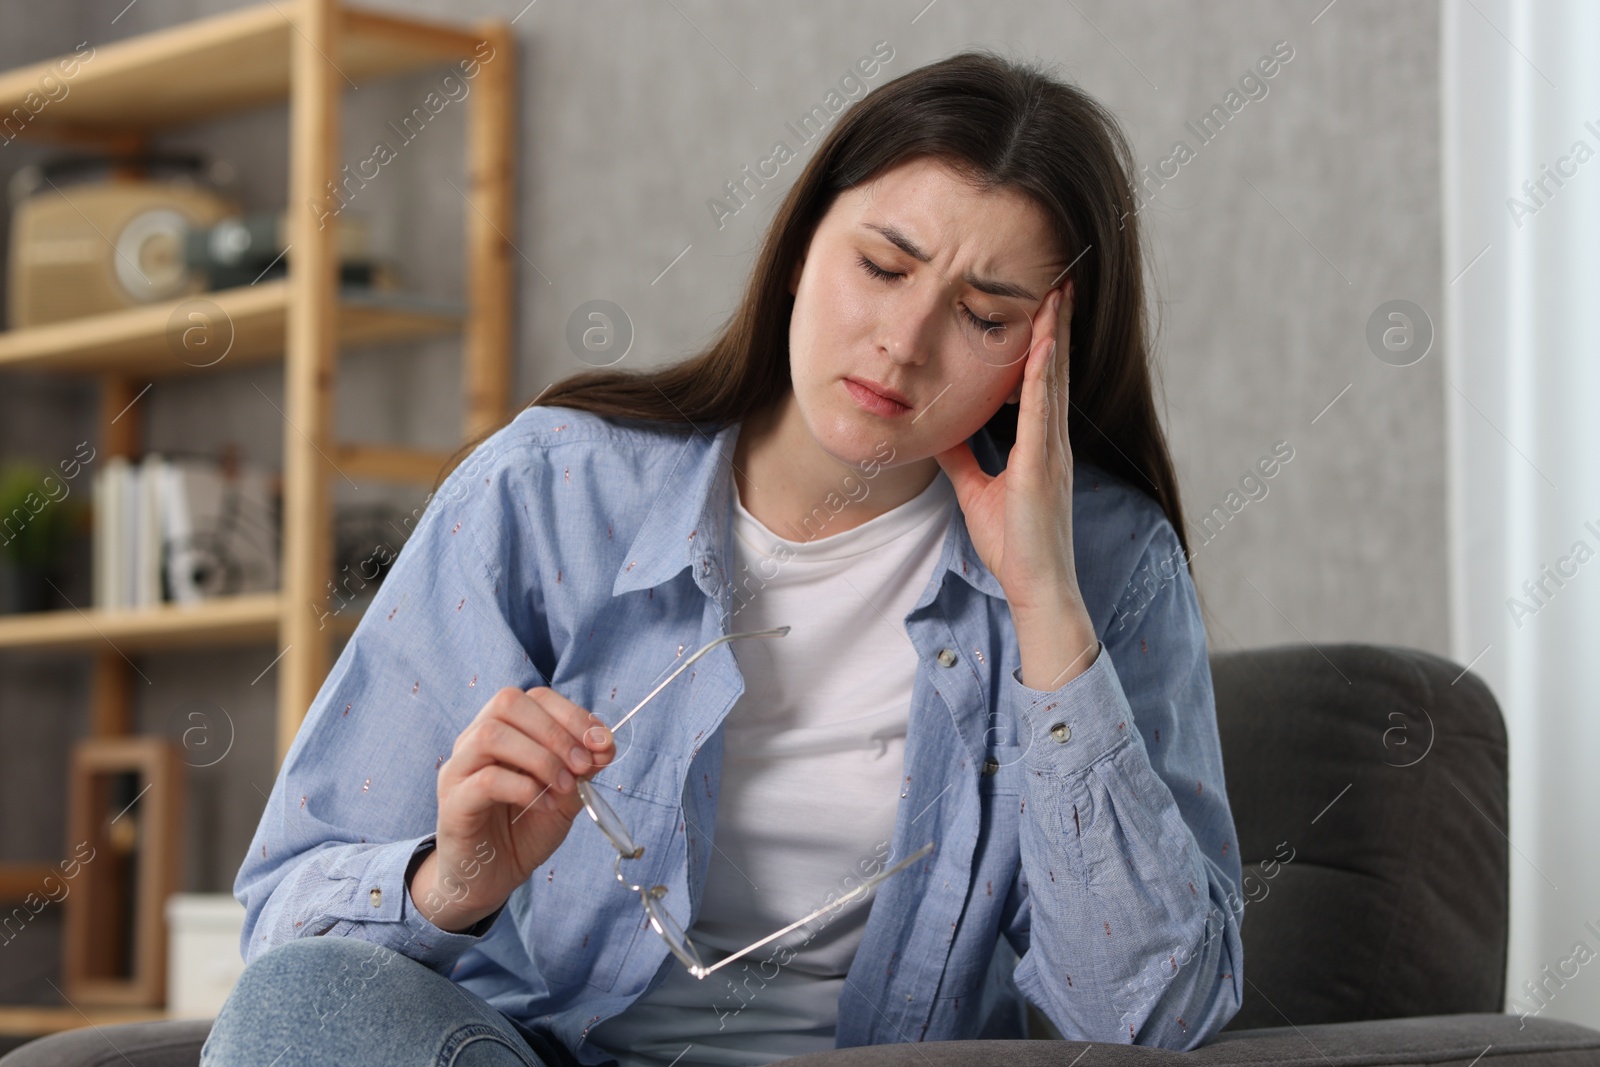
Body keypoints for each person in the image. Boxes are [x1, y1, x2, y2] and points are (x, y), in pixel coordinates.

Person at [201, 48, 1243, 1067]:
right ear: (800, 249)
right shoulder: (549, 491)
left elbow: (1153, 1019)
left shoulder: (1110, 564)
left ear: (1040, 355)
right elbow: (289, 925)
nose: (903, 340)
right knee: (302, 1002)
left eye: (983, 316)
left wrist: (1046, 599)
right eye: (881, 266)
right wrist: (453, 879)